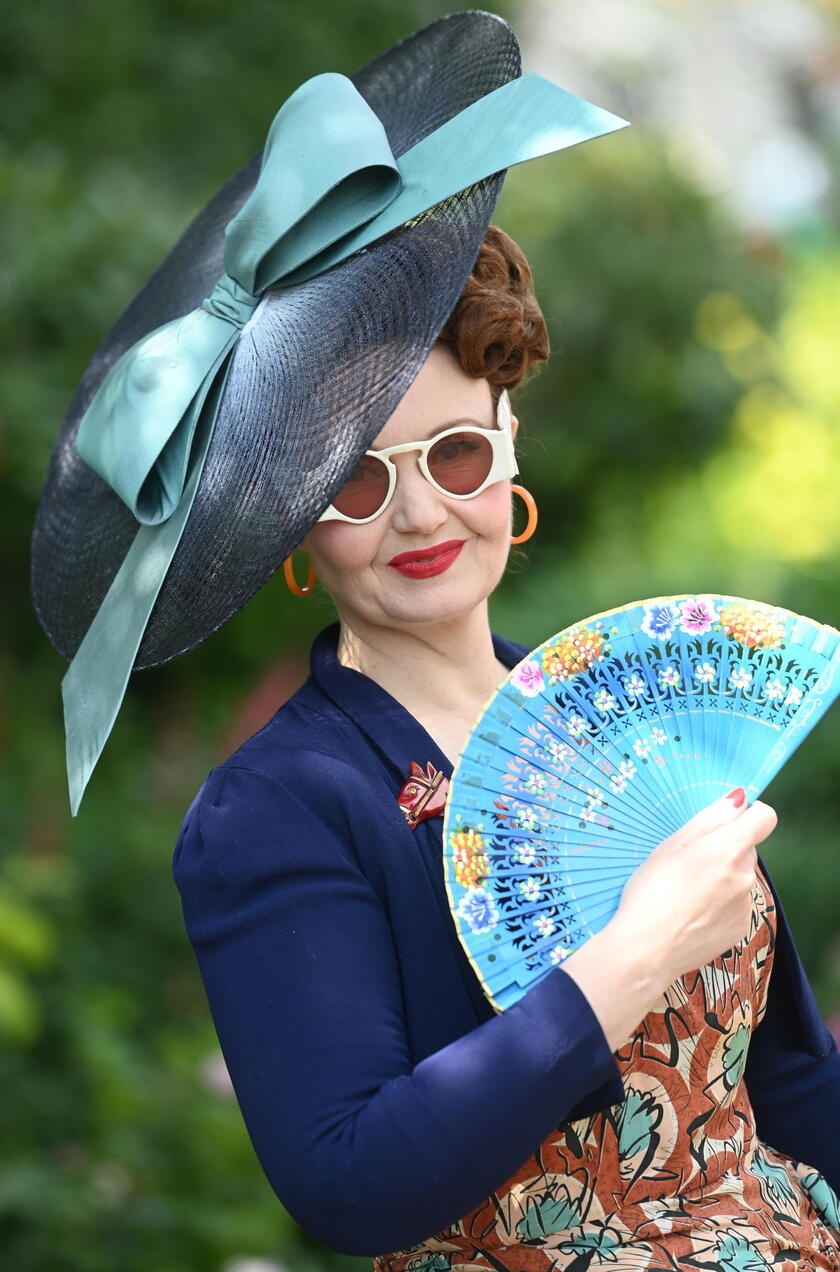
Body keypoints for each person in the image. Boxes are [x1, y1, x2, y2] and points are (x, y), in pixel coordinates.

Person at [30, 12, 840, 1270]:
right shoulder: (279, 810)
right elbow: (349, 1183)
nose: (418, 511)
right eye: (354, 482)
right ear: (297, 523)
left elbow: (796, 1092)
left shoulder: (639, 723)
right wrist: (632, 955)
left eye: (454, 453)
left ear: (510, 441)